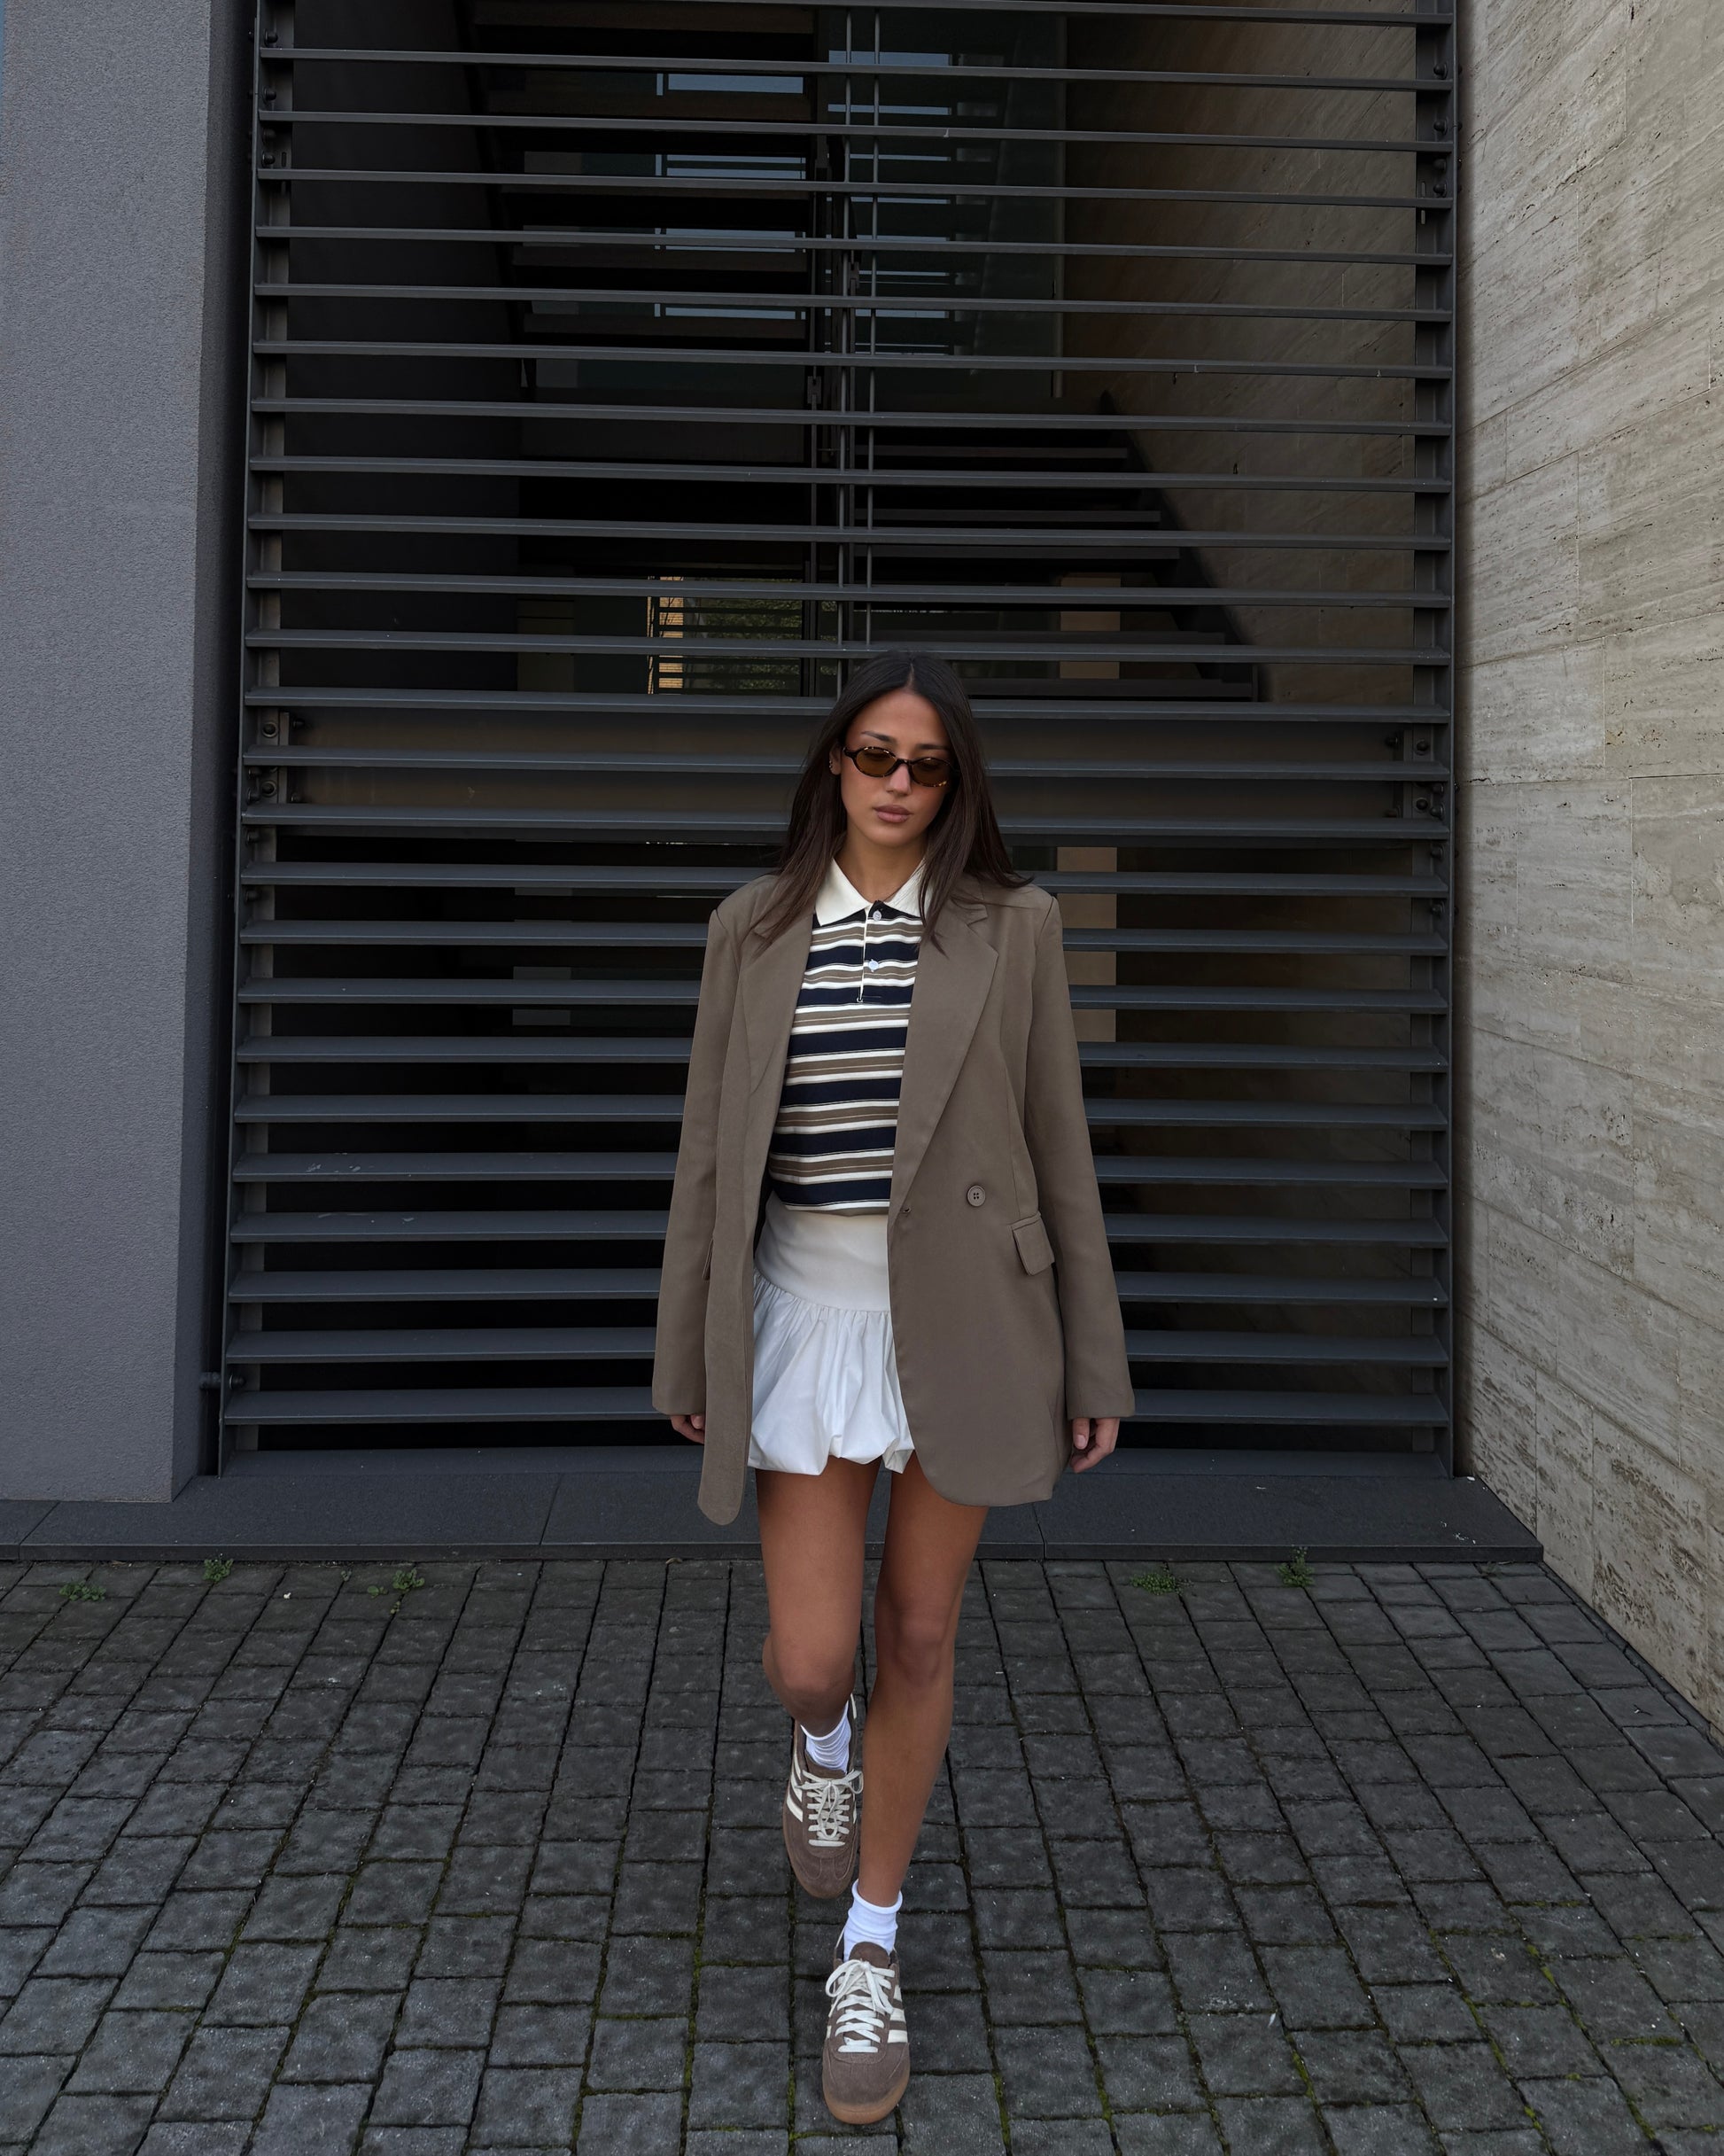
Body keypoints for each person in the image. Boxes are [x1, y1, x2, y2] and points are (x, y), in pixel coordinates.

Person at [652, 648, 1133, 2125]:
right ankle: (821, 1747)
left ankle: (870, 1943)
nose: (898, 784)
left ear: (954, 783)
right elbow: (708, 1157)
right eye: (875, 755)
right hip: (803, 1313)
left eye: (925, 764)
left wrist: (1094, 1356)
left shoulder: (1013, 925)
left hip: (970, 1324)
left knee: (918, 1631)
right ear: (833, 763)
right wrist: (685, 1345)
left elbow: (1058, 1141)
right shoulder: (752, 927)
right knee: (816, 1656)